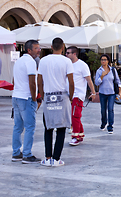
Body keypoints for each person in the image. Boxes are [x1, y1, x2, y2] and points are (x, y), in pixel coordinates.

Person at [37, 37, 74, 167]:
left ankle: (48, 158)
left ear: (51, 47)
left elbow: (39, 80)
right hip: (62, 96)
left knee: (48, 127)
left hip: (48, 96)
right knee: (61, 128)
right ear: (63, 47)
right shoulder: (67, 61)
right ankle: (57, 159)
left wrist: (42, 95)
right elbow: (71, 81)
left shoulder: (43, 60)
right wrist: (70, 97)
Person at [11, 40, 41, 164]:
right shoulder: (30, 62)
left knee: (18, 127)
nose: (39, 50)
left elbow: (14, 80)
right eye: (36, 48)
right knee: (30, 127)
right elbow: (32, 82)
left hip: (16, 96)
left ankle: (16, 153)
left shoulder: (19, 61)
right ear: (29, 50)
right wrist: (34, 98)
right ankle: (27, 154)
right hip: (26, 98)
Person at [66, 46, 96, 146]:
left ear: (74, 54)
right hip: (68, 94)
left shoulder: (82, 65)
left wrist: (93, 92)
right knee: (74, 116)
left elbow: (89, 80)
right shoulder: (67, 64)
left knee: (75, 115)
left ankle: (75, 136)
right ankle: (80, 134)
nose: (66, 54)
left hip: (78, 94)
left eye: (68, 53)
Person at [95, 54, 120, 134]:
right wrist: (102, 76)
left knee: (110, 109)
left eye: (105, 59)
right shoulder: (99, 71)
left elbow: (117, 80)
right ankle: (103, 123)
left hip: (111, 93)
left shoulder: (112, 70)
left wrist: (119, 92)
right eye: (102, 59)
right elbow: (96, 83)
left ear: (108, 61)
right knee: (103, 109)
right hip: (102, 93)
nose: (103, 61)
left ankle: (110, 126)